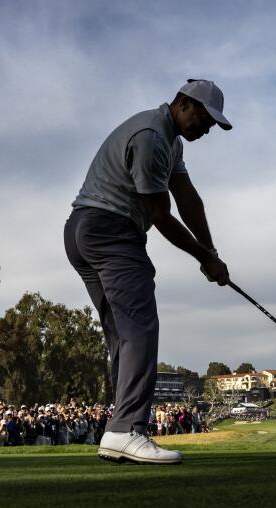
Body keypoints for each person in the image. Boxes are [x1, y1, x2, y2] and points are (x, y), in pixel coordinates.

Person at [64, 79, 231, 464]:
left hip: (82, 230)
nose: (206, 130)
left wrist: (211, 251)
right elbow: (160, 215)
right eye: (204, 119)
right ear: (184, 103)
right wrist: (204, 258)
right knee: (140, 329)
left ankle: (117, 432)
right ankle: (128, 429)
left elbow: (188, 199)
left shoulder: (168, 140)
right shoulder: (153, 137)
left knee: (124, 335)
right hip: (112, 229)